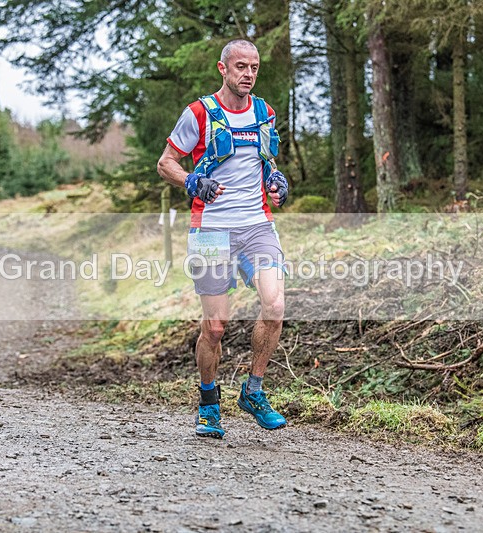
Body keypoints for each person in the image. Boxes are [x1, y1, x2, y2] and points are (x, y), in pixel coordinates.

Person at [157, 39, 290, 439]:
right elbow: (165, 164)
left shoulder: (264, 112)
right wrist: (191, 179)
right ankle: (209, 402)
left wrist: (275, 181)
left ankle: (253, 391)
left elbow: (266, 164)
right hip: (210, 229)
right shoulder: (198, 113)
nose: (248, 74)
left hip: (257, 227)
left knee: (275, 305)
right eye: (240, 67)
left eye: (254, 67)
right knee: (215, 327)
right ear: (223, 69)